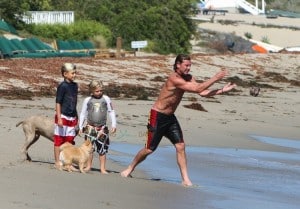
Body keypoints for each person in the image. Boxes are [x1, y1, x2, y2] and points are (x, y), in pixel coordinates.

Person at [121, 54, 236, 186]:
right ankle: (129, 168)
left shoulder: (189, 77)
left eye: (190, 65)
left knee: (180, 146)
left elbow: (202, 92)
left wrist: (221, 90)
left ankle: (185, 180)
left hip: (170, 118)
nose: (188, 68)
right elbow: (197, 88)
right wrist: (215, 78)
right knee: (149, 149)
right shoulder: (173, 78)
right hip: (157, 116)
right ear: (178, 65)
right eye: (186, 65)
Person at [78, 80, 117, 174]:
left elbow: (111, 111)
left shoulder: (106, 99)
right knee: (89, 149)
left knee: (102, 149)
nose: (99, 93)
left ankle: (102, 168)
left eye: (101, 90)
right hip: (90, 127)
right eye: (97, 91)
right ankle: (88, 166)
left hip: (102, 128)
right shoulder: (88, 100)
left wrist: (114, 124)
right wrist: (80, 126)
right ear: (91, 91)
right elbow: (83, 113)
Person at [53, 63, 78, 169]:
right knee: (59, 140)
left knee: (70, 140)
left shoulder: (75, 85)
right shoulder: (62, 86)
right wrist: (59, 118)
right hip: (63, 116)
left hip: (72, 117)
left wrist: (77, 117)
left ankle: (68, 162)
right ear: (65, 74)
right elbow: (58, 102)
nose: (74, 75)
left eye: (75, 73)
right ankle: (57, 161)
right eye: (72, 73)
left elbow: (74, 102)